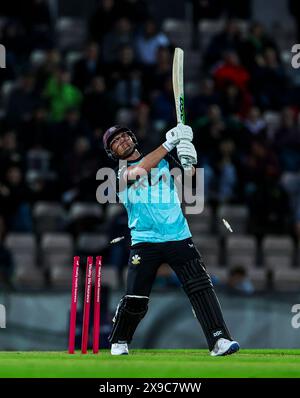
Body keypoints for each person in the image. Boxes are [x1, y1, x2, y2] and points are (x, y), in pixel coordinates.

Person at [102, 124, 240, 356]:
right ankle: (120, 340)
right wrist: (169, 144)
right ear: (112, 152)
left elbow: (191, 179)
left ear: (133, 137)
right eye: (115, 141)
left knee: (201, 289)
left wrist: (188, 158)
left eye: (124, 135)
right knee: (136, 298)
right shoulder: (119, 173)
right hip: (144, 241)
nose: (122, 141)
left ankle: (219, 341)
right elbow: (140, 171)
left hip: (178, 236)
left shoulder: (163, 161)